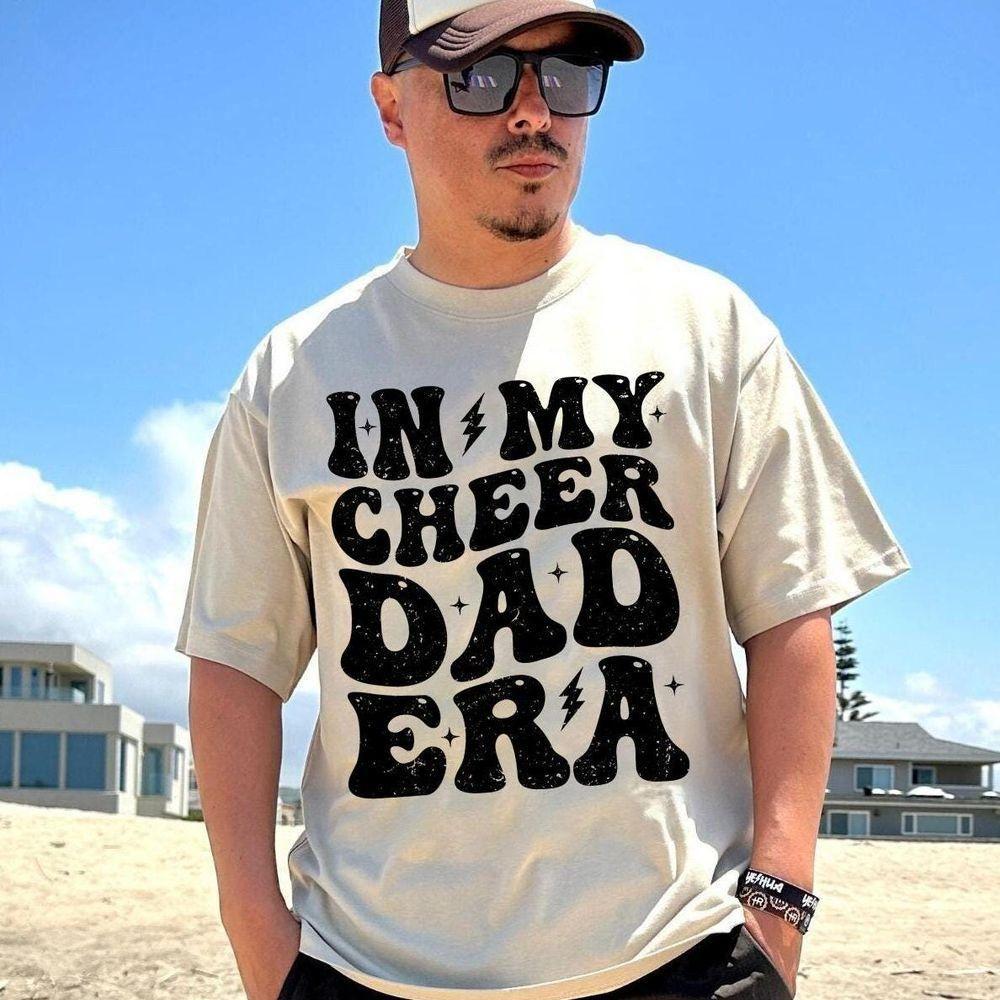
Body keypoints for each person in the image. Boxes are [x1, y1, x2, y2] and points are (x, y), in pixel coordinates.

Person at [175, 2, 912, 999]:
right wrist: (258, 934)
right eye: (480, 76)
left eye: (565, 74)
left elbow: (791, 612)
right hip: (370, 969)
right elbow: (235, 661)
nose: (533, 111)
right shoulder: (295, 375)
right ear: (390, 108)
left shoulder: (707, 330)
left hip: (679, 959)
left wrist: (777, 904)